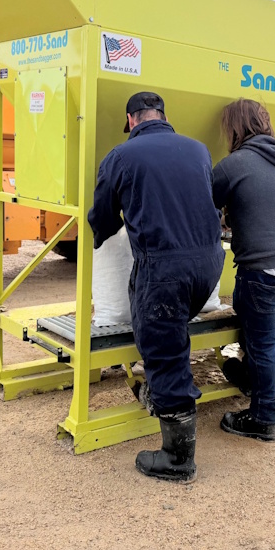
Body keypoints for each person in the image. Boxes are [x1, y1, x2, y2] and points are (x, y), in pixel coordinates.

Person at [88, 92, 224, 484]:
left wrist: (104, 235)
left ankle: (178, 459)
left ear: (131, 120)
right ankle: (165, 398)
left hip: (165, 268)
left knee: (163, 351)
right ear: (162, 116)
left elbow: (103, 216)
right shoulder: (198, 150)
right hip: (209, 265)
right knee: (173, 331)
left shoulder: (120, 156)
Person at [212, 99, 275, 441]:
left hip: (265, 270)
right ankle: (251, 378)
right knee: (250, 314)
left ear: (233, 129)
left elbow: (202, 205)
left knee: (261, 342)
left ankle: (263, 417)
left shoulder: (233, 164)